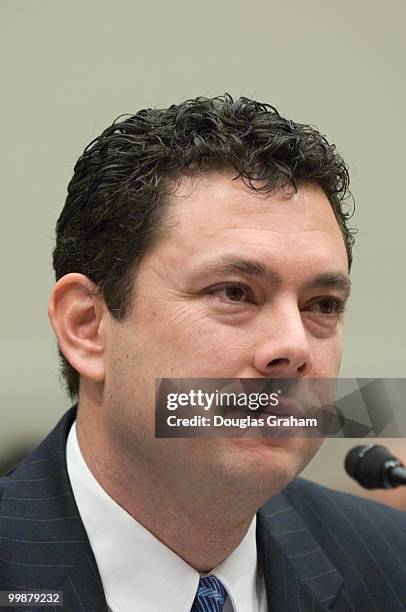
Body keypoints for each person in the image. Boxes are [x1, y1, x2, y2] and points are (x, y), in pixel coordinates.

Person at [1, 95, 405, 612]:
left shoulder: (391, 563)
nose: (294, 348)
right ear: (87, 327)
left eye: (322, 304)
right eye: (234, 293)